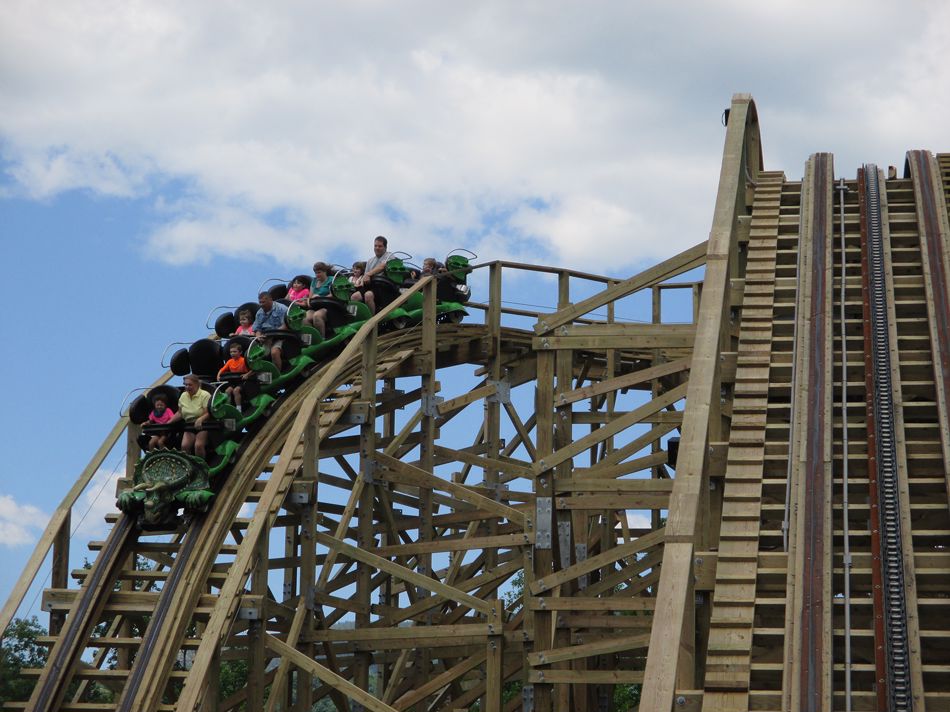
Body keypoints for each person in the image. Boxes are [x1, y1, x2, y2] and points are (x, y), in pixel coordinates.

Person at [172, 374, 211, 459]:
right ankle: (188, 466)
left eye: (190, 385)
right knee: (184, 446)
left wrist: (200, 419)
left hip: (203, 425)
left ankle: (201, 467)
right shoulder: (183, 396)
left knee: (198, 445)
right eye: (185, 385)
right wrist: (167, 423)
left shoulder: (205, 395)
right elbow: (179, 413)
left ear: (196, 384)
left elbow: (208, 413)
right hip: (189, 425)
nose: (187, 387)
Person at [352, 236, 393, 314]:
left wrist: (368, 274)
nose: (377, 248)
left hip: (384, 286)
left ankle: (372, 321)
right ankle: (355, 318)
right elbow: (365, 277)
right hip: (371, 285)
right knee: (354, 296)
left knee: (368, 295)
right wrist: (361, 282)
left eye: (380, 246)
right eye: (375, 246)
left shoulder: (389, 256)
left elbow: (382, 266)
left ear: (385, 247)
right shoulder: (370, 261)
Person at [251, 291, 290, 371]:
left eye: (264, 302)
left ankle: (277, 374)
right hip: (266, 339)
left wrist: (273, 334)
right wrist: (258, 336)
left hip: (281, 336)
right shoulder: (259, 313)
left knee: (274, 352)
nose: (261, 304)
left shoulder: (281, 309)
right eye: (260, 302)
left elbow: (287, 325)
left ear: (270, 300)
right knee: (256, 354)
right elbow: (257, 329)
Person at [217, 341, 251, 408]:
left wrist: (247, 374)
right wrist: (218, 376)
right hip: (234, 381)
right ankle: (229, 408)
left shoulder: (244, 360)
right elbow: (222, 369)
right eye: (231, 352)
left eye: (234, 352)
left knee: (236, 391)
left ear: (240, 352)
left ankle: (238, 408)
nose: (232, 353)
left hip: (243, 381)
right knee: (227, 391)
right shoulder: (230, 361)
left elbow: (253, 370)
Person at [306, 262, 333, 336]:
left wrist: (321, 297)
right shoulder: (314, 281)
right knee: (305, 318)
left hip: (328, 305)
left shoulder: (331, 280)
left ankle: (322, 338)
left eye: (319, 272)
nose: (317, 275)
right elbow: (310, 296)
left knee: (317, 316)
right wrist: (309, 301)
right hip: (316, 306)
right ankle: (314, 338)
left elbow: (334, 295)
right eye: (315, 273)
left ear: (325, 272)